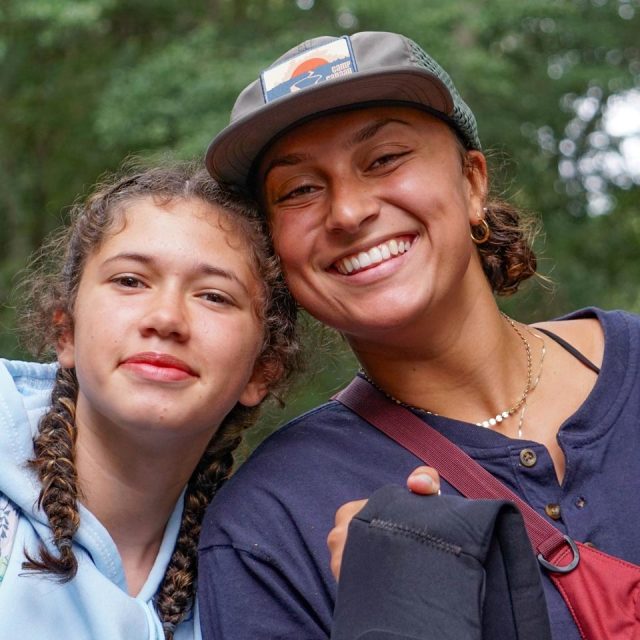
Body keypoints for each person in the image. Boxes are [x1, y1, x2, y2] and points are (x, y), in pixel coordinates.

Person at [198, 30, 640, 639]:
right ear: (276, 248)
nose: (348, 212)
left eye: (384, 159)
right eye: (299, 189)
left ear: (472, 183)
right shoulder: (267, 526)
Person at [0, 163, 299, 639]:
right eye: (130, 281)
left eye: (215, 296)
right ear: (67, 331)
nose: (165, 318)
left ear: (263, 370)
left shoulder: (262, 577)